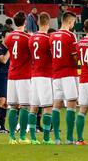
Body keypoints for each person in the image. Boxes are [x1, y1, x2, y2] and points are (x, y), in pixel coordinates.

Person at [49, 12, 80, 145]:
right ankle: (69, 137)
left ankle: (56, 137)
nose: (73, 25)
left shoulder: (52, 36)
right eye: (73, 22)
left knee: (56, 104)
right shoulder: (70, 35)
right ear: (69, 21)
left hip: (56, 74)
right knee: (71, 103)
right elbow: (75, 56)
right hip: (68, 73)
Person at [5, 12, 34, 144]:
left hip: (12, 75)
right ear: (25, 22)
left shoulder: (9, 37)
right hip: (24, 75)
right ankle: (22, 136)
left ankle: (11, 137)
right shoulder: (28, 38)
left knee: (13, 106)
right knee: (24, 106)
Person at [29, 12, 54, 143]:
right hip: (45, 75)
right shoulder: (48, 39)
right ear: (48, 23)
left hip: (34, 75)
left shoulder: (31, 38)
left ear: (38, 23)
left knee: (34, 106)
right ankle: (46, 137)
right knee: (47, 107)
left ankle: (33, 138)